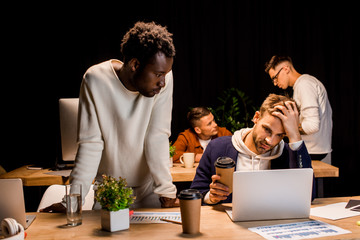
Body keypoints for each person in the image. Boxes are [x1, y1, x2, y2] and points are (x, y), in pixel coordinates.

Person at [42, 21, 178, 212]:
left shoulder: (164, 80)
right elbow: (91, 144)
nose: (163, 82)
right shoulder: (95, 79)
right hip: (109, 193)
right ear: (135, 64)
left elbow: (157, 136)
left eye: (166, 74)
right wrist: (73, 200)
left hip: (149, 192)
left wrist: (166, 191)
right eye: (158, 75)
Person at [190, 94, 314, 205]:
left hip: (273, 226)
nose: (270, 141)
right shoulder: (217, 147)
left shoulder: (289, 153)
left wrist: (295, 135)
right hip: (227, 227)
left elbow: (308, 195)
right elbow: (196, 193)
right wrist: (211, 197)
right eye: (267, 129)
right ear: (256, 117)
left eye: (280, 135)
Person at [265, 56, 333, 163]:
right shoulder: (302, 85)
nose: (274, 83)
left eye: (275, 77)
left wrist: (284, 130)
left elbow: (312, 126)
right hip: (315, 150)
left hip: (314, 152)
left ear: (286, 69)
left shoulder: (304, 84)